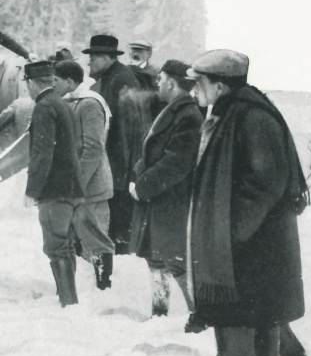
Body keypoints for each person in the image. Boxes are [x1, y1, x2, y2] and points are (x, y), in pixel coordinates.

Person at [188, 49, 309, 356]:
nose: (195, 89)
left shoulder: (250, 117)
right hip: (255, 241)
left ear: (221, 86)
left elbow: (267, 179)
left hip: (253, 242)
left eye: (201, 82)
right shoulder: (237, 111)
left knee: (241, 314)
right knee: (256, 314)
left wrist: (232, 230)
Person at [127, 60, 202, 321]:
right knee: (157, 259)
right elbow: (155, 152)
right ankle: (159, 314)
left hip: (172, 201)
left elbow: (176, 163)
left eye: (160, 79)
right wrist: (140, 172)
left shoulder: (188, 114)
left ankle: (200, 316)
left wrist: (143, 187)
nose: (157, 83)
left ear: (171, 82)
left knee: (176, 262)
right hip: (161, 200)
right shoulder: (175, 109)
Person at [24, 60, 84, 307]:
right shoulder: (62, 104)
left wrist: (32, 190)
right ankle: (67, 300)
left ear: (30, 83)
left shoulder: (44, 107)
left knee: (56, 247)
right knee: (66, 246)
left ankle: (68, 304)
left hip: (54, 191)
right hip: (71, 189)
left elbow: (42, 153)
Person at [51, 59, 115, 290]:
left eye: (56, 80)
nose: (53, 85)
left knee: (95, 241)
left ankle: (103, 289)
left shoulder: (89, 104)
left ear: (70, 81)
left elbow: (93, 148)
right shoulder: (69, 102)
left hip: (90, 188)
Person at [83, 34, 149, 255]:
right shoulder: (114, 77)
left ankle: (116, 273)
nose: (89, 62)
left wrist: (121, 173)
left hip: (120, 167)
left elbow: (127, 129)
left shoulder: (121, 79)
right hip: (119, 165)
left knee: (120, 226)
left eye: (92, 57)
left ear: (105, 57)